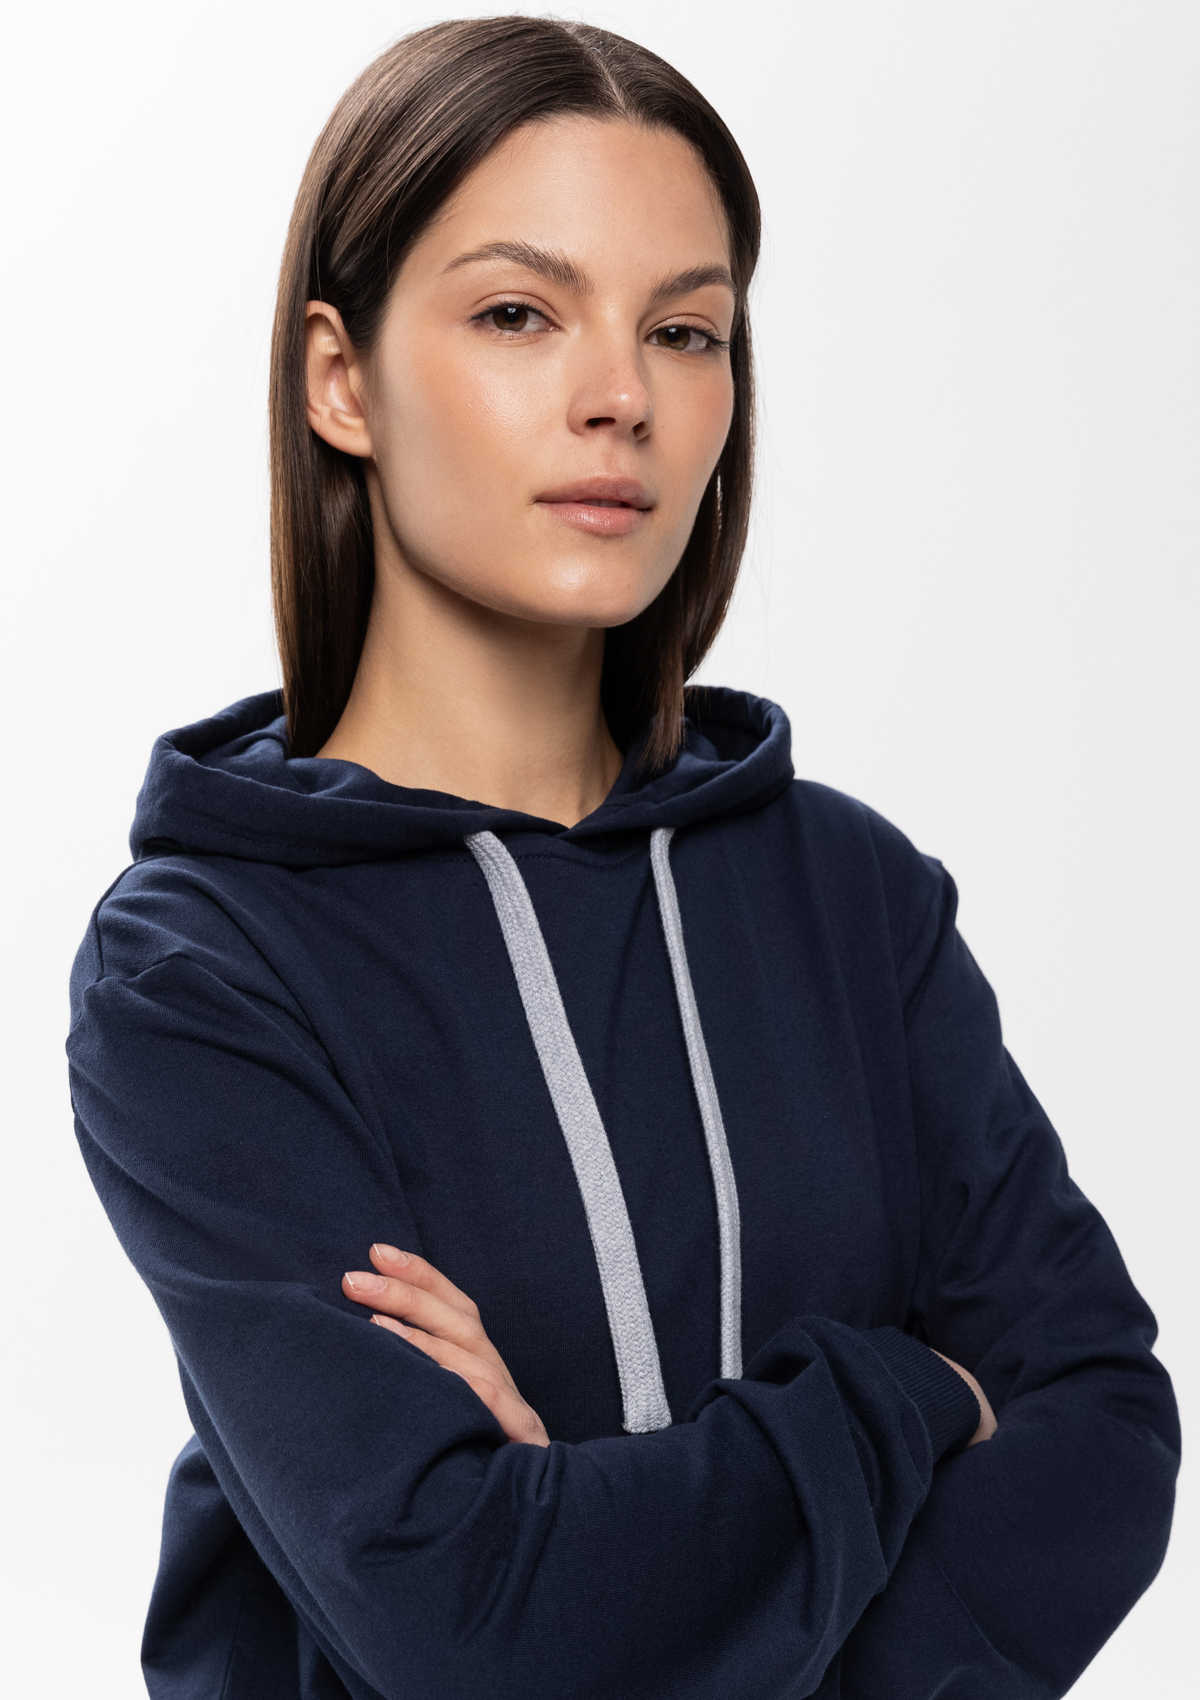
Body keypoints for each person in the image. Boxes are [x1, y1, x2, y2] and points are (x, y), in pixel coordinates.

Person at [67, 17, 1178, 1699]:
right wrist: (912, 1396)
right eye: (520, 314)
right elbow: (470, 1620)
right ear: (341, 378)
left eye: (684, 330)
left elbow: (1103, 1424)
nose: (622, 399)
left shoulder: (853, 898)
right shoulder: (200, 968)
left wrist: (583, 1522)